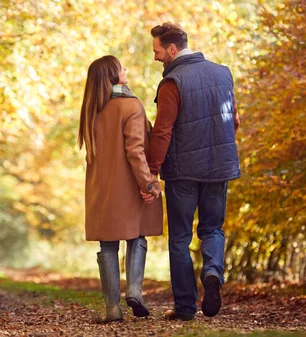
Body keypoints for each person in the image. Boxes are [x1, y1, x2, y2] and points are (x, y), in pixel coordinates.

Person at [144, 23, 241, 320]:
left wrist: (150, 171)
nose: (156, 57)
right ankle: (212, 271)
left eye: (157, 51)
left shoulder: (173, 82)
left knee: (180, 240)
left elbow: (163, 132)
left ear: (172, 49)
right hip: (220, 166)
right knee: (212, 229)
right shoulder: (223, 73)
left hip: (183, 172)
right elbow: (234, 121)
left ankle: (185, 307)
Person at [78, 55, 163, 323]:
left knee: (108, 244)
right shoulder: (131, 106)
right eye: (121, 68)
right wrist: (148, 183)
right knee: (136, 236)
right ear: (114, 76)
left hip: (101, 189)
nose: (126, 70)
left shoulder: (92, 109)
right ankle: (135, 291)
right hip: (130, 185)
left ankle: (112, 308)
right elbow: (136, 151)